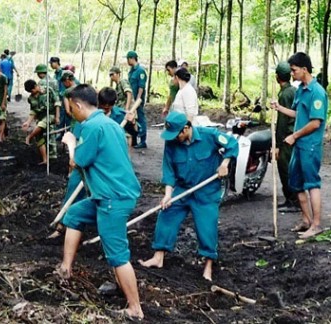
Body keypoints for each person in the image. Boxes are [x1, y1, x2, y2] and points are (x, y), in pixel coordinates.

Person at [59, 84, 143, 321]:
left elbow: (79, 162)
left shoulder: (92, 127)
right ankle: (66, 269)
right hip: (109, 194)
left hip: (112, 198)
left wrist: (70, 143)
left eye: (70, 109)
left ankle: (135, 308)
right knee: (74, 215)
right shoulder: (109, 123)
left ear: (77, 105)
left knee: (117, 253)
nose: (71, 114)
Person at [139, 111, 238, 281]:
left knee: (207, 227)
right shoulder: (171, 143)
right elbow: (169, 170)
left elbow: (233, 144)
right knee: (167, 214)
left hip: (206, 191)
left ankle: (208, 264)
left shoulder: (209, 136)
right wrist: (168, 195)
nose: (174, 138)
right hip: (182, 190)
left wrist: (225, 163)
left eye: (176, 134)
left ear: (186, 128)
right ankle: (158, 256)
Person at [271, 52, 328, 239]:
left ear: (304, 69)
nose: (292, 73)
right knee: (295, 183)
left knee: (312, 183)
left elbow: (315, 123)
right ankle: (306, 220)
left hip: (309, 145)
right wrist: (279, 108)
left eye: (294, 70)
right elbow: (298, 115)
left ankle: (317, 224)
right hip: (298, 145)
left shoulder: (317, 92)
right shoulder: (301, 90)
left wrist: (294, 136)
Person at [273, 62, 299, 213]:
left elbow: (282, 121)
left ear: (277, 77)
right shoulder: (293, 90)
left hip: (287, 137)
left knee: (285, 168)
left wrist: (277, 144)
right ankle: (292, 199)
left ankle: (293, 200)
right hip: (293, 134)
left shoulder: (285, 94)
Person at [22, 79, 60, 164]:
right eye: (30, 92)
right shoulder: (31, 98)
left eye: (33, 90)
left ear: (36, 86)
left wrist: (57, 117)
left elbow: (57, 102)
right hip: (40, 118)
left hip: (51, 115)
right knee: (39, 137)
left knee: (42, 124)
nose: (32, 92)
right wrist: (28, 122)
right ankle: (45, 159)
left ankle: (29, 137)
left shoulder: (48, 90)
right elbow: (33, 111)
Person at [127, 50, 148, 149]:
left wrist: (138, 99)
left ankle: (143, 140)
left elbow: (141, 86)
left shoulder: (140, 71)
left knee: (140, 117)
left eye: (128, 59)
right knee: (133, 119)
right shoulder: (131, 71)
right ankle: (135, 139)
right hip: (133, 99)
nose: (127, 61)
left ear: (132, 58)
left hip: (137, 99)